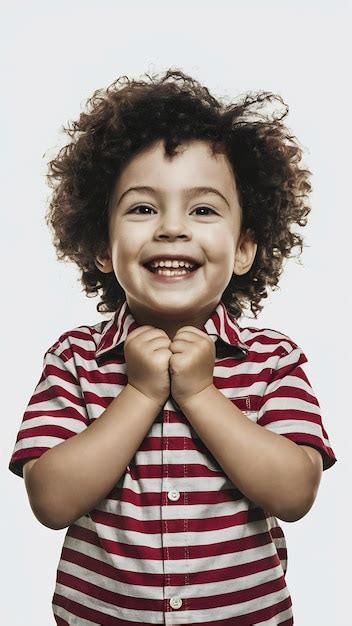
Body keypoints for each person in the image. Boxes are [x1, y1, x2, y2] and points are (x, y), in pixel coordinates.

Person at [9, 68, 337, 625]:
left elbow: (295, 492)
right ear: (102, 248)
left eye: (203, 209)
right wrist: (138, 393)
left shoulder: (274, 361)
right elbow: (51, 501)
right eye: (141, 208)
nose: (171, 228)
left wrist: (202, 393)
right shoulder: (74, 360)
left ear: (244, 249)